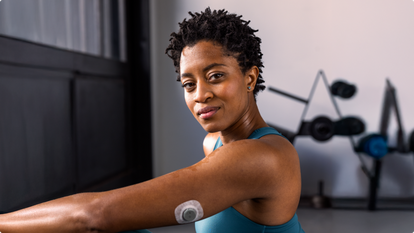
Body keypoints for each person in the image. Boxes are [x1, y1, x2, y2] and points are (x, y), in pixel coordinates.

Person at [0, 8, 304, 233]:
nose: (201, 95)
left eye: (215, 76)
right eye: (189, 84)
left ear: (250, 77)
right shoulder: (213, 143)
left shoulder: (262, 156)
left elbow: (95, 216)